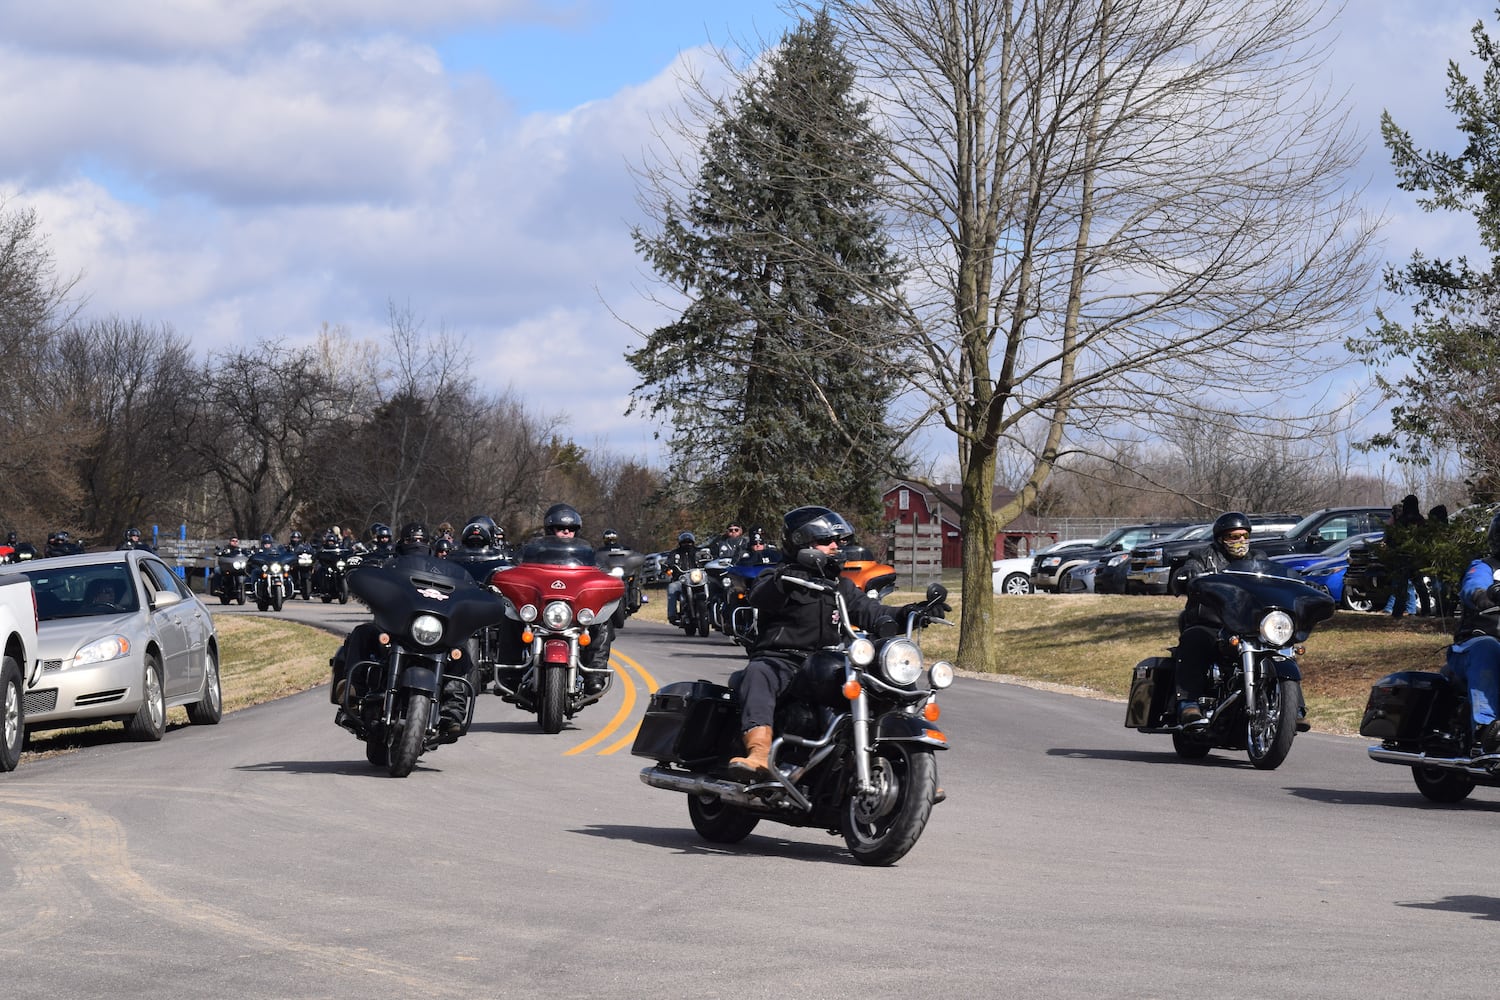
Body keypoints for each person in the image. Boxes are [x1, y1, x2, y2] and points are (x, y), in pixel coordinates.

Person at [729, 505, 942, 776]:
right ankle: (758, 752)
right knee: (759, 673)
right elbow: (760, 595)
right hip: (781, 659)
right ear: (801, 543)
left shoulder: (840, 586)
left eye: (837, 541)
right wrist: (784, 581)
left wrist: (914, 611)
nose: (834, 546)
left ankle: (909, 765)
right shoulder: (777, 575)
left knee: (884, 680)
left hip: (824, 661)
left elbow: (874, 613)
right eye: (825, 541)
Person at [1172, 511, 1280, 726]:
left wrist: (1303, 584)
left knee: (1280, 648)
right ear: (1221, 539)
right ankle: (1188, 702)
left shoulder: (1258, 559)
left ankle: (1292, 707)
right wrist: (1187, 575)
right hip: (1212, 623)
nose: (1240, 541)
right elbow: (1187, 571)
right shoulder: (1203, 556)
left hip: (1248, 625)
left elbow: (1275, 580)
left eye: (1244, 536)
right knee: (1194, 639)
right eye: (1234, 537)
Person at [1445, 509, 1500, 754]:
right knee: (1489, 647)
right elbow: (1473, 585)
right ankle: (1486, 729)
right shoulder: (1484, 566)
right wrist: (1482, 595)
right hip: (1471, 646)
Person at [1387, 494, 1428, 619]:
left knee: (1402, 587)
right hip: (1417, 558)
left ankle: (1398, 612)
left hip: (1403, 558)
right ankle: (1426, 611)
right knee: (1420, 586)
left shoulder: (1402, 521)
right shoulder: (1421, 520)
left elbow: (1392, 539)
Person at [665, 531, 699, 625]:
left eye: (689, 542)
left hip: (697, 581)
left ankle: (713, 613)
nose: (687, 544)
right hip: (680, 581)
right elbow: (668, 563)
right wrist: (667, 567)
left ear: (693, 543)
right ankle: (672, 615)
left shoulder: (698, 552)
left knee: (710, 586)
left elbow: (707, 559)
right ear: (680, 543)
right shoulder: (675, 553)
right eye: (684, 542)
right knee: (672, 587)